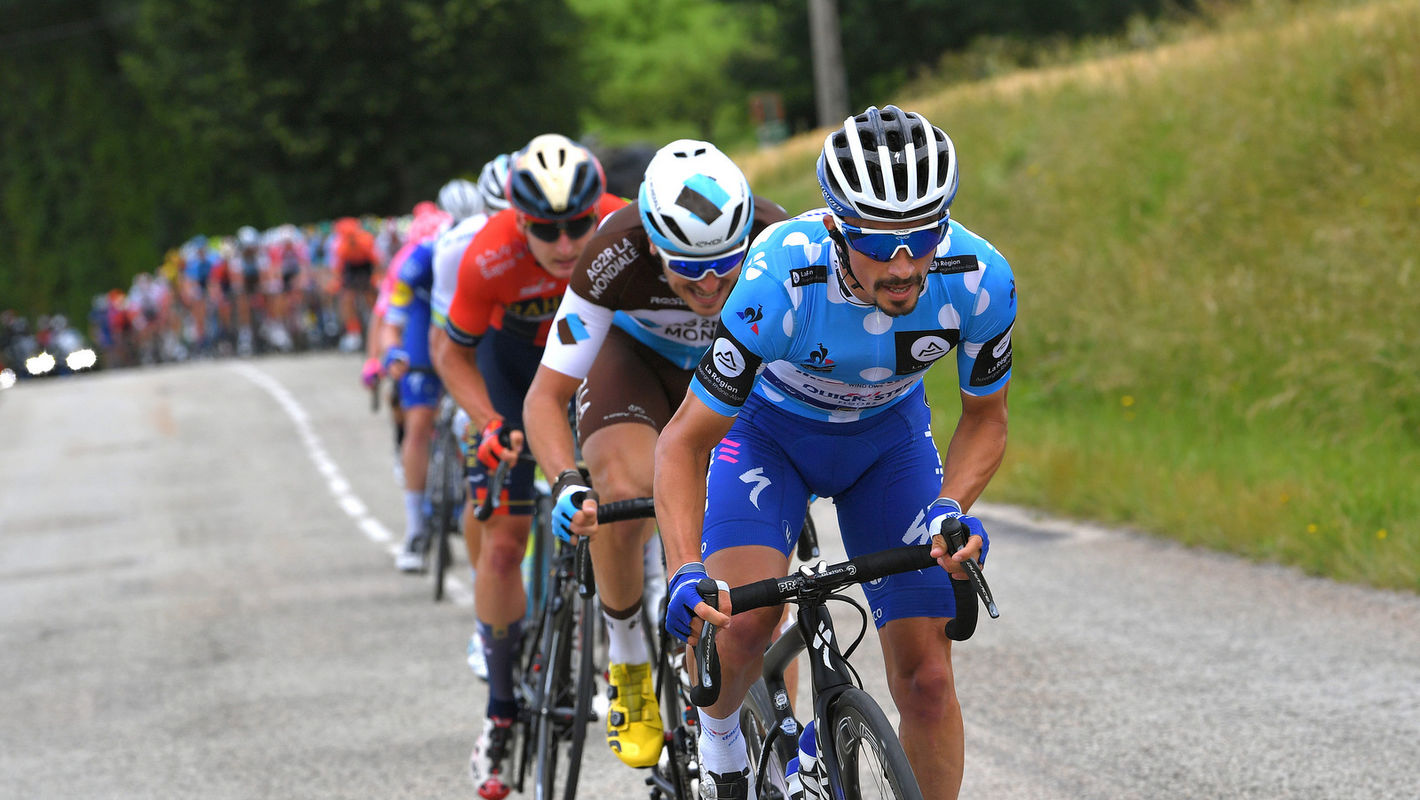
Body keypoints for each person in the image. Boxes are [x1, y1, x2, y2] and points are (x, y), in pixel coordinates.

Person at [654, 106, 1015, 800]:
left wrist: (950, 509)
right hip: (768, 439)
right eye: (879, 243)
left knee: (930, 681)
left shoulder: (979, 278)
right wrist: (681, 569)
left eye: (922, 237)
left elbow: (986, 419)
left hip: (888, 446)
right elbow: (683, 440)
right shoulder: (778, 277)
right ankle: (723, 745)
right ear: (834, 228)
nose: (905, 264)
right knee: (745, 621)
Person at [522, 139, 787, 769]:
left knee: (759, 566)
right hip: (635, 368)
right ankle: (628, 659)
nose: (712, 285)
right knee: (623, 487)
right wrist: (565, 482)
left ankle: (769, 715)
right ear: (652, 247)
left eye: (727, 265)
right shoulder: (612, 251)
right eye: (689, 271)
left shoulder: (779, 237)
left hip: (731, 376)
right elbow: (545, 394)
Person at [433, 133, 627, 800]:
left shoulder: (625, 224)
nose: (568, 242)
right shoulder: (487, 256)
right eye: (547, 229)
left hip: (597, 372)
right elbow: (451, 354)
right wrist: (488, 423)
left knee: (624, 510)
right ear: (520, 220)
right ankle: (501, 709)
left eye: (579, 223)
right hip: (514, 383)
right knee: (504, 543)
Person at [429, 154, 509, 680]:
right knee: (477, 457)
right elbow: (447, 341)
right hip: (484, 356)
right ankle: (489, 609)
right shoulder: (459, 247)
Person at [383, 187, 474, 571]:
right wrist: (392, 352)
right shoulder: (422, 257)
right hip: (424, 331)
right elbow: (394, 317)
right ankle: (416, 528)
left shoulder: (484, 251)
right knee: (419, 423)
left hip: (466, 331)